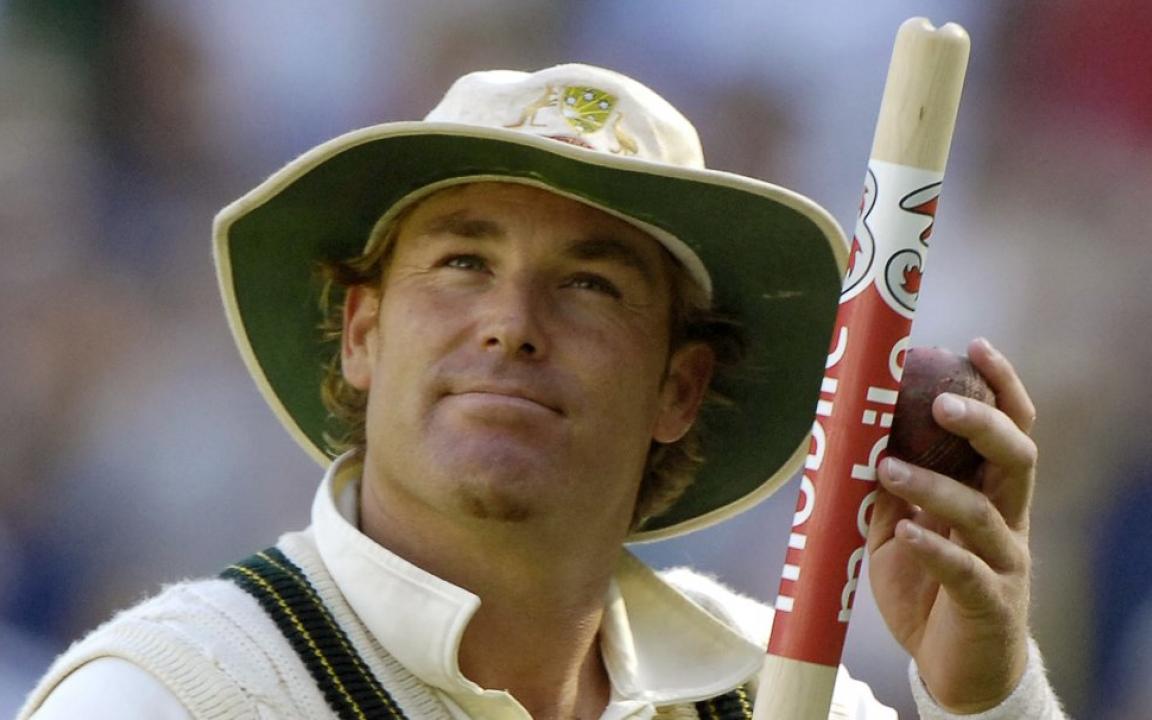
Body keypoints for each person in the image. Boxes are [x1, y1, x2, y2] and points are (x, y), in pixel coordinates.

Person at [19, 64, 1066, 719]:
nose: (513, 322)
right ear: (363, 335)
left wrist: (985, 699)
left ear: (681, 388)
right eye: (463, 263)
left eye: (589, 285)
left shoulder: (774, 696)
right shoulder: (170, 697)